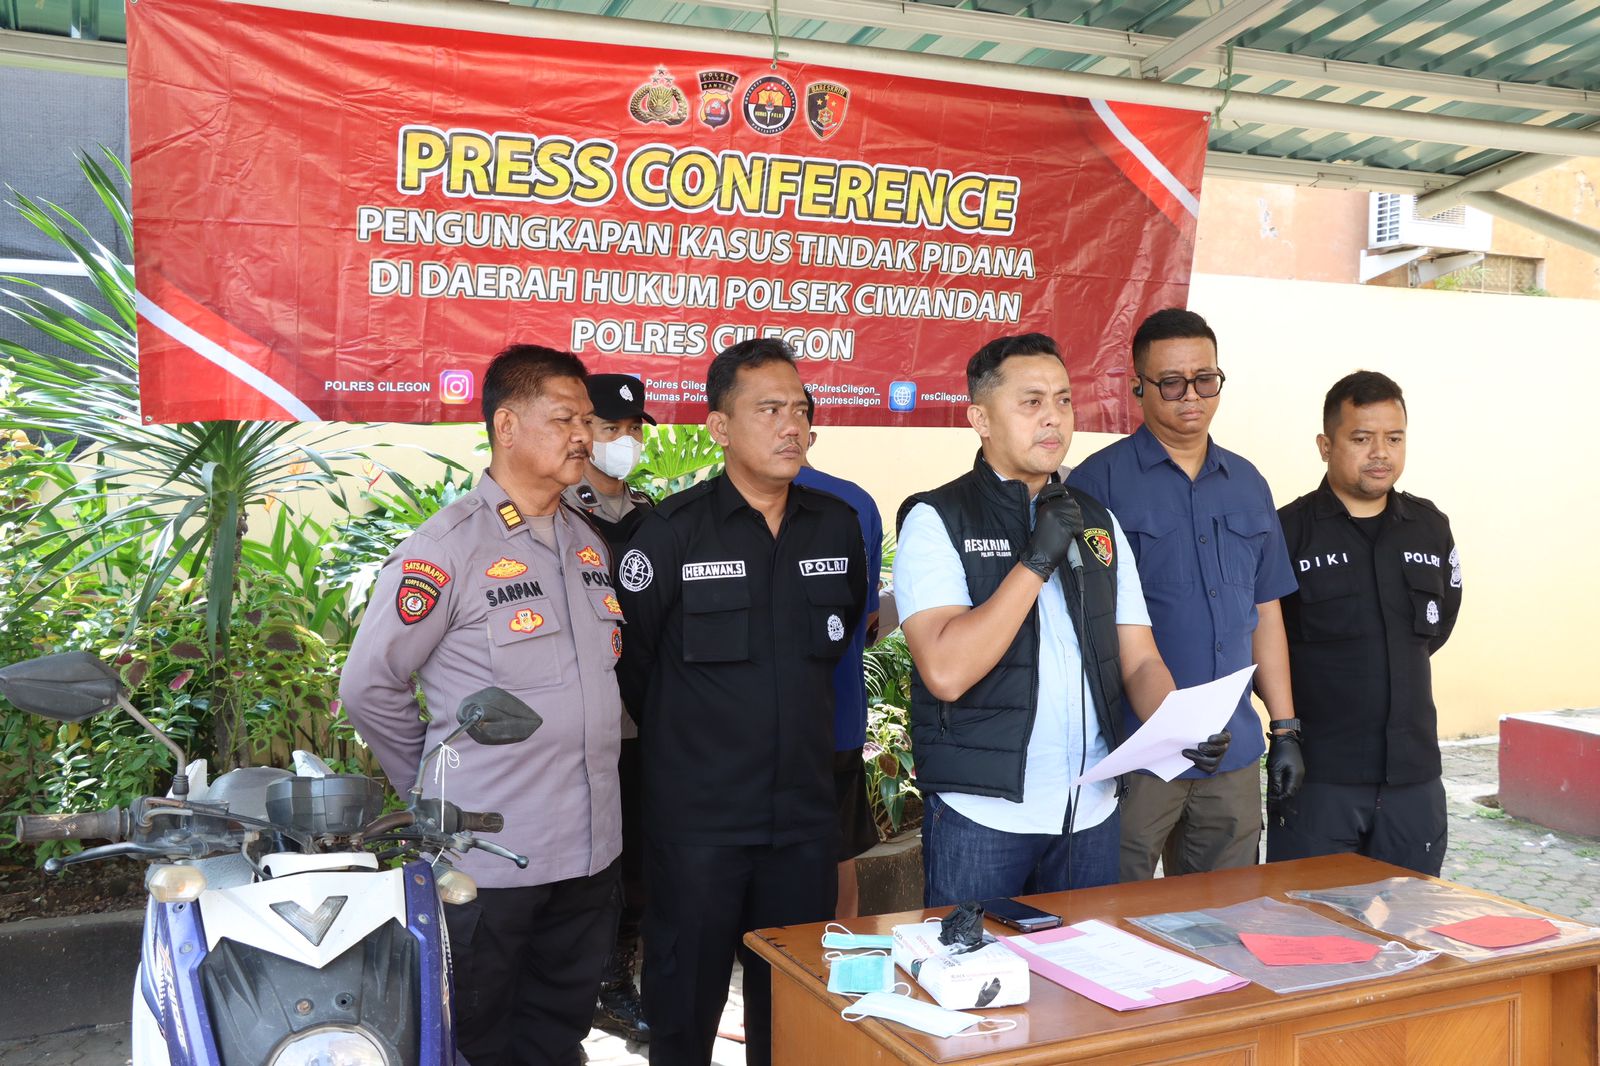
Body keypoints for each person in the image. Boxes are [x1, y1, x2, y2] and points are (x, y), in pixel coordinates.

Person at [340, 344, 622, 1066]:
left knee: (559, 1035)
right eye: (564, 419)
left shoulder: (587, 543)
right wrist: (433, 793)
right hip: (487, 859)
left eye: (586, 420)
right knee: (477, 1039)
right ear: (506, 425)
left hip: (590, 851)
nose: (583, 436)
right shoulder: (446, 549)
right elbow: (369, 685)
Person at [894, 333, 1231, 906]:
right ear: (980, 418)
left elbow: (1140, 659)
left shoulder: (1097, 522)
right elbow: (946, 671)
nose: (1053, 418)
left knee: (1086, 964)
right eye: (1031, 402)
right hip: (984, 815)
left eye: (1064, 400)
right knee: (972, 963)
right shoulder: (936, 518)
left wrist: (1179, 727)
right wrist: (1036, 560)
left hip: (1091, 810)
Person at [615, 339, 867, 1066]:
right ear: (720, 427)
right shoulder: (669, 532)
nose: (793, 426)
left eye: (801, 409)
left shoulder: (836, 525)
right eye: (769, 410)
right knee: (684, 1007)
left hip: (802, 822)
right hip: (700, 826)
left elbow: (837, 637)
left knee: (791, 1010)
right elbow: (634, 664)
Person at [1068, 308, 1301, 881]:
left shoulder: (1248, 483)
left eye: (1205, 379)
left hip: (1232, 755)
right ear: (1139, 387)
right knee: (1111, 913)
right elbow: (1082, 627)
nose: (1191, 395)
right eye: (1171, 382)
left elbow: (1265, 612)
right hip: (1133, 756)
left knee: (1222, 919)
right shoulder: (1098, 484)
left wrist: (1285, 728)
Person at [1268, 371, 1461, 876]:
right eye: (1361, 439)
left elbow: (1438, 626)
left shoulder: (1430, 526)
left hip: (1414, 779)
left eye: (1394, 438)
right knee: (1306, 920)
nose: (1380, 453)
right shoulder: (1286, 533)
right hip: (1320, 778)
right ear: (1325, 446)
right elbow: (1264, 641)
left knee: (1412, 919)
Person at [562, 373, 656, 1044]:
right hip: (581, 719)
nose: (623, 441)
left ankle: (617, 982)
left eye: (632, 429)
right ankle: (587, 986)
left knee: (639, 859)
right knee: (585, 860)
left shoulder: (655, 515)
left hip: (646, 717)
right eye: (608, 427)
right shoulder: (557, 513)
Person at [795, 389, 884, 919]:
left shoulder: (851, 504)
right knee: (838, 850)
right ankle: (838, 954)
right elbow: (868, 617)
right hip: (836, 716)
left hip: (824, 718)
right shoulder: (856, 501)